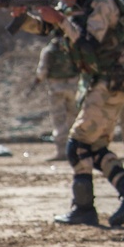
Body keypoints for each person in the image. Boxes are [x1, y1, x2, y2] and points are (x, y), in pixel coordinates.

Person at [13, 0, 124, 227]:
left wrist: (60, 20)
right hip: (101, 83)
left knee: (76, 145)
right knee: (95, 146)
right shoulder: (78, 5)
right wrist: (24, 19)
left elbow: (90, 46)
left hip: (111, 82)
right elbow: (49, 29)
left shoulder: (102, 4)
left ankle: (85, 208)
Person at [34, 34, 80, 162]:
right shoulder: (74, 48)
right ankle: (76, 150)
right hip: (74, 86)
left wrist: (38, 80)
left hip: (56, 88)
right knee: (74, 119)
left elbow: (42, 71)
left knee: (59, 120)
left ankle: (62, 152)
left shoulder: (49, 50)